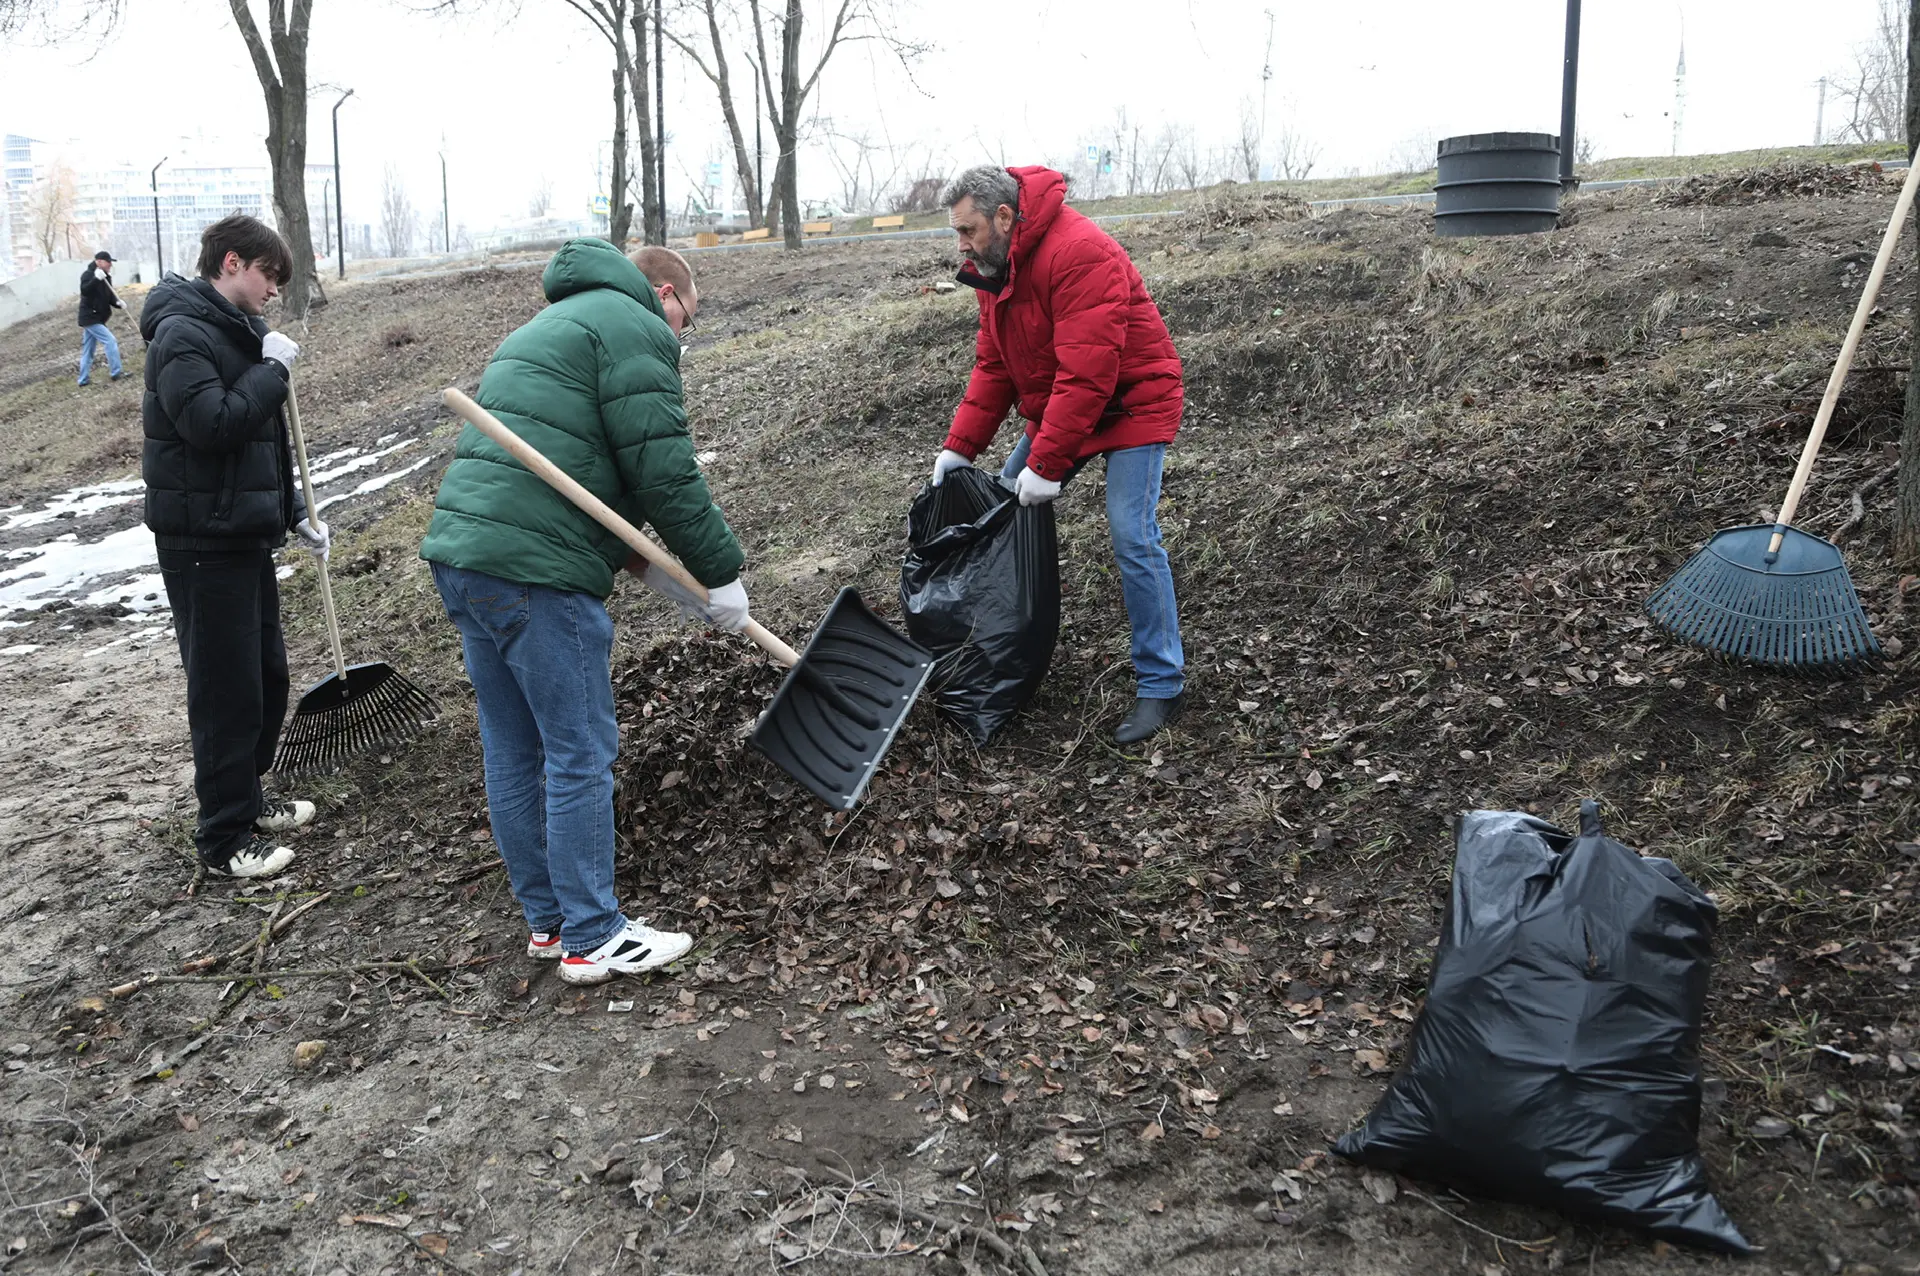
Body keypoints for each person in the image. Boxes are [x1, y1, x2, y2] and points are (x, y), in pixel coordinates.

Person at [420, 241, 746, 986]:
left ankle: (550, 921)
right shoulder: (634, 327)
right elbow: (663, 469)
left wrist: (674, 582)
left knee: (514, 747)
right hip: (534, 573)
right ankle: (594, 936)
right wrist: (722, 572)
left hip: (466, 558)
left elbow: (585, 480)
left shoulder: (551, 326)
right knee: (578, 751)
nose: (680, 335)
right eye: (687, 319)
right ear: (666, 295)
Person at [932, 164, 1188, 745]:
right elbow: (994, 365)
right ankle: (1004, 656)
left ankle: (1162, 682)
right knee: (1003, 508)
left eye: (968, 230)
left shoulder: (1079, 253)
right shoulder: (998, 268)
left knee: (1132, 534)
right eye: (957, 232)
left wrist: (1046, 465)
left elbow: (1088, 372)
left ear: (1004, 217)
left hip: (1132, 403)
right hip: (1068, 405)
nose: (962, 244)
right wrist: (959, 447)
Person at [141, 214, 328, 880]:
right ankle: (223, 839)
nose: (275, 289)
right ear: (231, 263)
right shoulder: (181, 333)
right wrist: (271, 372)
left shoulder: (235, 331)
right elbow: (213, 425)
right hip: (202, 540)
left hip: (242, 533)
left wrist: (294, 512)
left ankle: (246, 799)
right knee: (225, 691)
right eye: (269, 274)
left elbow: (258, 446)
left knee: (264, 679)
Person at [77, 250, 126, 386]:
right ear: (98, 262)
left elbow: (109, 297)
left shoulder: (106, 277)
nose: (110, 264)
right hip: (90, 317)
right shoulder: (88, 275)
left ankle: (83, 380)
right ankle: (116, 372)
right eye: (107, 262)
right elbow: (85, 290)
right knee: (110, 341)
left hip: (99, 317)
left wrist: (118, 303)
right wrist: (96, 279)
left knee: (88, 350)